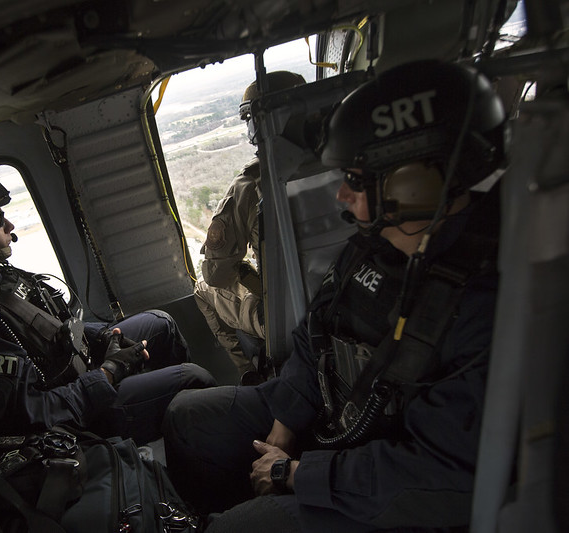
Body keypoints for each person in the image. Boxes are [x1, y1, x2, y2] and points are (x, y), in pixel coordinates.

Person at [163, 59, 507, 532]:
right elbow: (314, 332)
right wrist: (285, 419)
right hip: (334, 412)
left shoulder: (488, 301)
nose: (342, 195)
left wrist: (294, 473)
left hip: (396, 480)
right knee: (187, 416)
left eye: (358, 180)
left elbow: (441, 473)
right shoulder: (375, 242)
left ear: (415, 186)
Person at [0, 168, 216, 443]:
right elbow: (35, 414)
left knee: (161, 322)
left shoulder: (2, 279)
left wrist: (102, 337)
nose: (10, 225)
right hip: (74, 422)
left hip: (76, 374)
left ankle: (176, 418)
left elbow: (57, 325)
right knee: (193, 377)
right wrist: (109, 372)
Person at [195, 71, 305, 380]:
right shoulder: (343, 154)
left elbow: (217, 275)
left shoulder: (251, 184)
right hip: (352, 297)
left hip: (288, 316)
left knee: (201, 288)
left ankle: (253, 376)